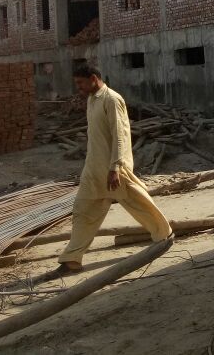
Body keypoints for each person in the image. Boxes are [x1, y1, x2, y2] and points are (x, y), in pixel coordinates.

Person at [54, 63, 172, 274]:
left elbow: (120, 135)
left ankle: (164, 235)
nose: (78, 88)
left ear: (93, 79)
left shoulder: (112, 99)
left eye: (81, 83)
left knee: (138, 202)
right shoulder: (92, 100)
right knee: (83, 211)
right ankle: (72, 260)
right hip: (93, 168)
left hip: (113, 168)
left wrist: (115, 167)